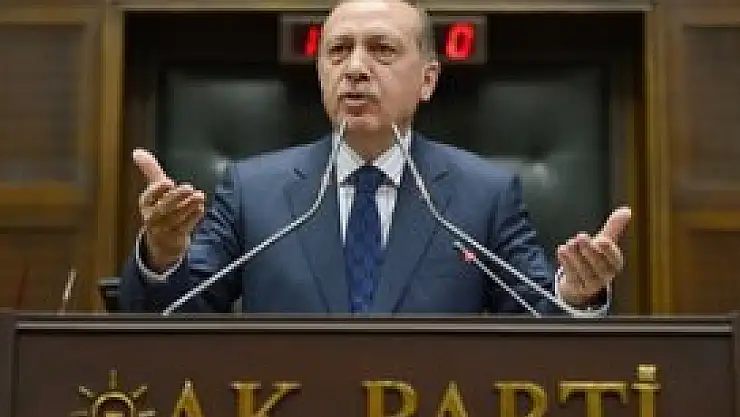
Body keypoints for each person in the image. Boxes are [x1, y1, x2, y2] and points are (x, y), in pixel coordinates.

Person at [118, 0, 631, 315]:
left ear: (428, 79)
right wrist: (163, 255)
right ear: (321, 73)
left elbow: (538, 317)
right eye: (338, 51)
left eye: (382, 50)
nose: (356, 69)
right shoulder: (252, 190)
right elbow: (172, 318)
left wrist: (575, 294)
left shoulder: (484, 194)